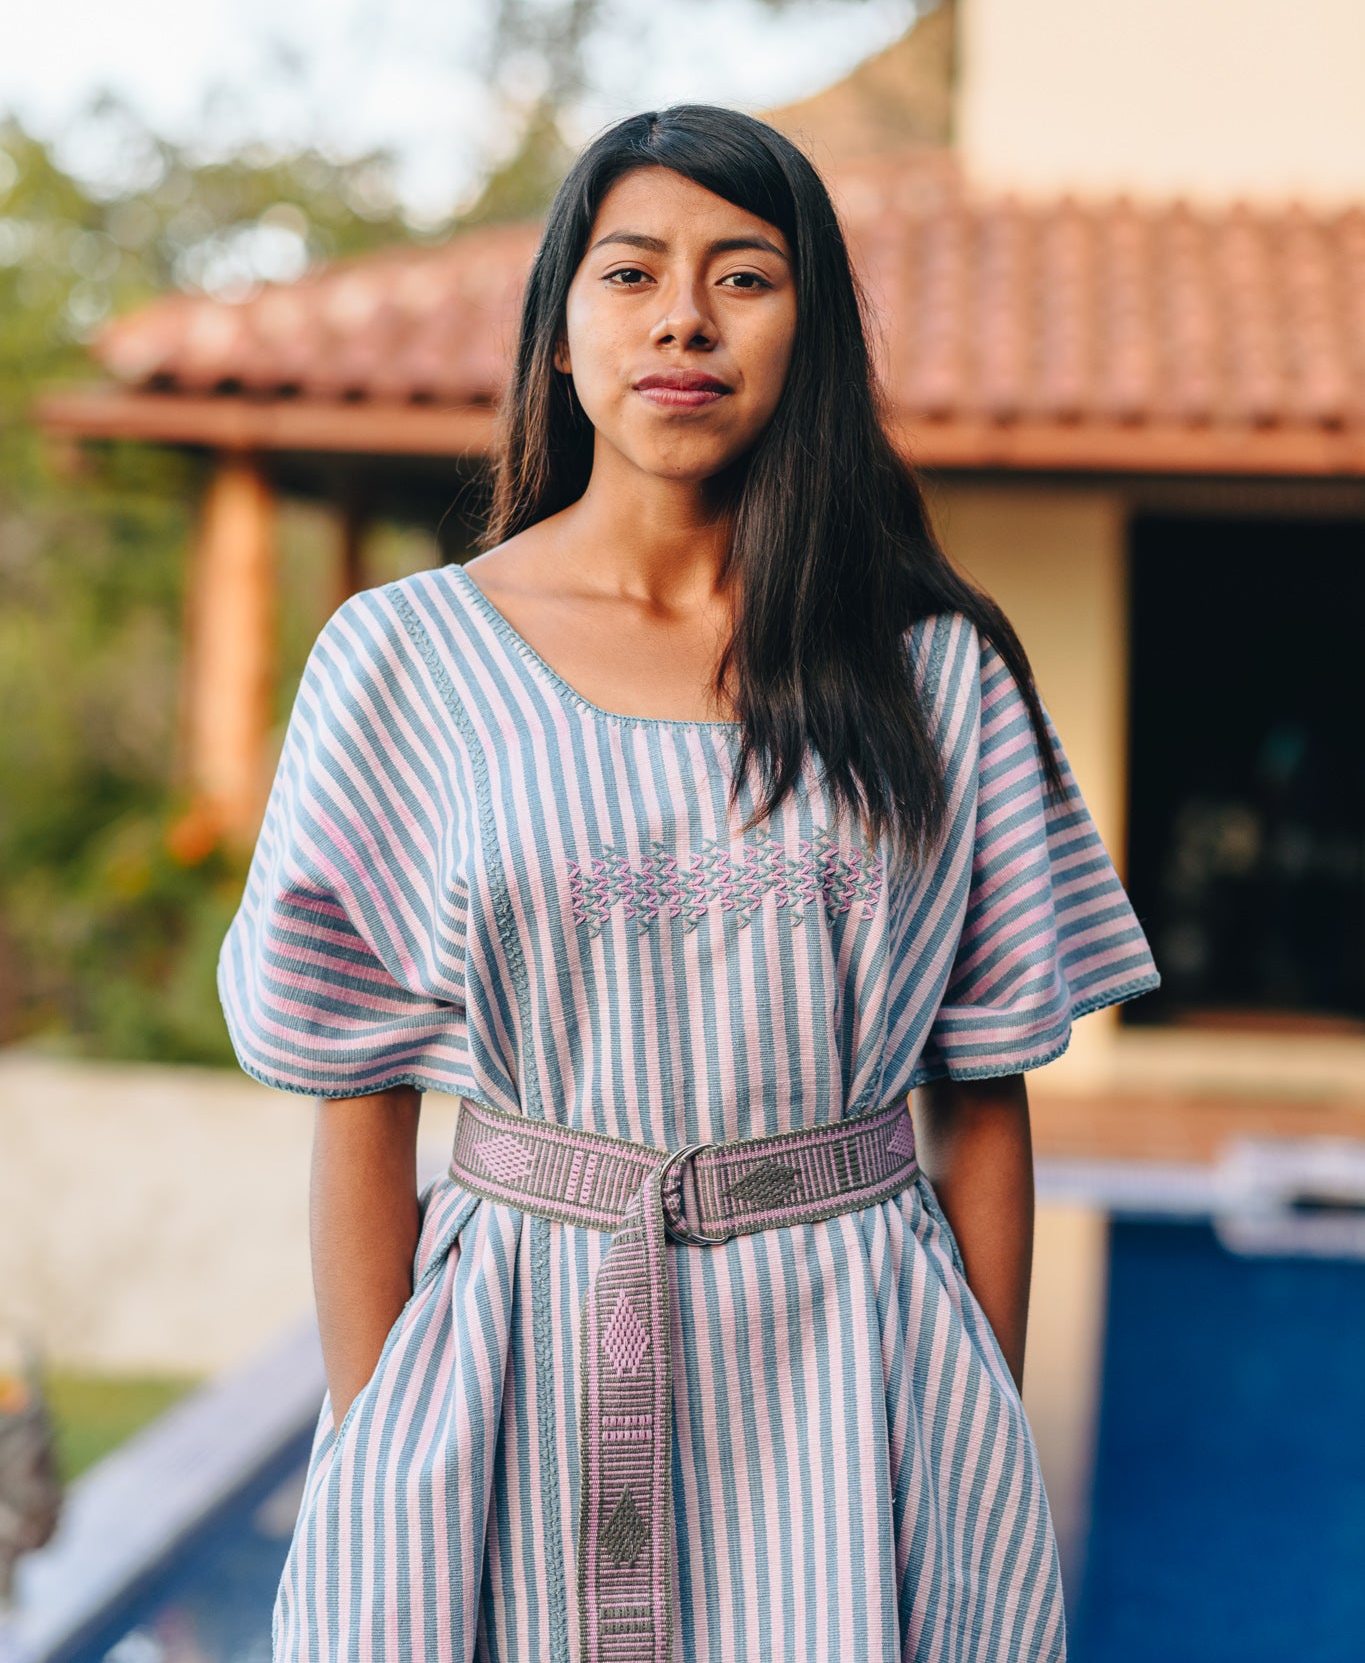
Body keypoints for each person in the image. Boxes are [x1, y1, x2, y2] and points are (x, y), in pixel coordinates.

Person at [220, 105, 1158, 1663]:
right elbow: (359, 1096)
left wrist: (971, 1422)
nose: (682, 319)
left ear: (809, 333)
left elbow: (983, 1096)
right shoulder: (403, 660)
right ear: (562, 326)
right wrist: (375, 1420)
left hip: (854, 1355)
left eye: (744, 276)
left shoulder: (935, 674)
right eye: (631, 272)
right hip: (512, 1346)